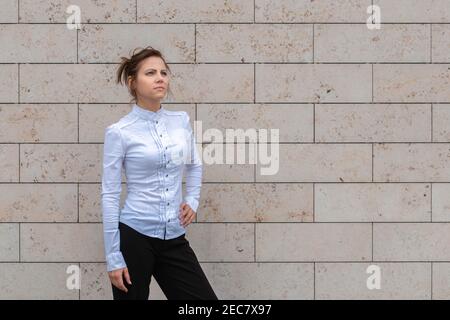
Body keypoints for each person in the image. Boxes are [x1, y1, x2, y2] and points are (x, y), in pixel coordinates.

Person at [101, 46, 218, 300]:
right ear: (133, 82)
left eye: (164, 72)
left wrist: (193, 200)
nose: (160, 78)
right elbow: (110, 195)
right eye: (151, 72)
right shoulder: (119, 132)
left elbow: (195, 164)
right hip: (134, 237)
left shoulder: (181, 121)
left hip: (174, 237)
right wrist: (113, 257)